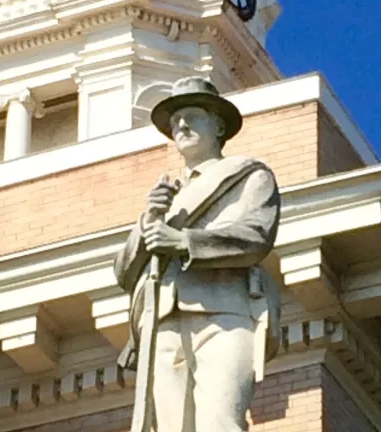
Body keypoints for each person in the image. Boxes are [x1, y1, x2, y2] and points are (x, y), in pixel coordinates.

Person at [114, 76, 282, 432]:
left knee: (221, 421)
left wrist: (182, 241)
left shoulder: (248, 175)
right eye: (176, 122)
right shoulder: (167, 197)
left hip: (225, 310)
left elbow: (255, 236)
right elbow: (124, 271)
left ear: (218, 124)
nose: (182, 126)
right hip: (162, 319)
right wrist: (150, 218)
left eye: (191, 116)